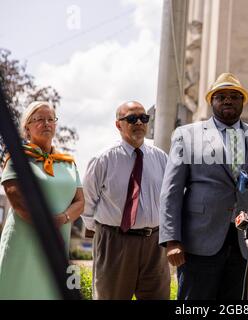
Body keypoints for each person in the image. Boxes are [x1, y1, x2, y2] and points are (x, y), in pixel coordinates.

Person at [159, 73, 248, 300]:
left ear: (242, 102)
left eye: (234, 96)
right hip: (199, 242)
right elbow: (172, 191)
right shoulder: (187, 135)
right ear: (211, 101)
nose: (228, 100)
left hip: (246, 243)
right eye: (221, 96)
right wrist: (172, 240)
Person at [82, 101, 170, 300]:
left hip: (154, 245)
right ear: (118, 125)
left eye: (143, 118)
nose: (139, 122)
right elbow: (87, 203)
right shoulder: (103, 160)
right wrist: (107, 234)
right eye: (132, 118)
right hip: (115, 242)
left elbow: (170, 200)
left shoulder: (162, 159)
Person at [0, 101, 84, 299]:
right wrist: (45, 225)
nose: (46, 123)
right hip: (24, 241)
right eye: (39, 120)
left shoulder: (68, 163)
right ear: (27, 128)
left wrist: (62, 218)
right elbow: (17, 199)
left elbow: (80, 202)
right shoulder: (17, 159)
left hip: (57, 243)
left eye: (50, 119)